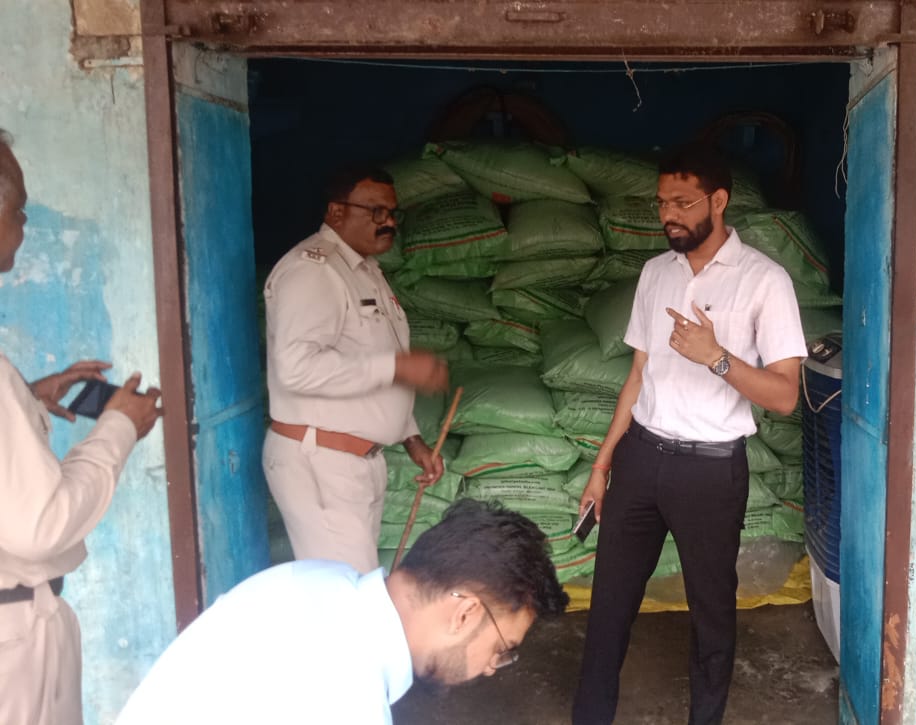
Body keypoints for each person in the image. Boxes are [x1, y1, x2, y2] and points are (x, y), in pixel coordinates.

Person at [572, 146, 808, 725]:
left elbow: (785, 395)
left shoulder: (765, 281)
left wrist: (717, 358)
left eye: (682, 202)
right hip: (640, 459)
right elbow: (637, 375)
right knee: (609, 605)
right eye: (662, 204)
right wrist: (601, 467)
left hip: (710, 471)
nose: (668, 215)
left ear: (718, 201)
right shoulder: (656, 274)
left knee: (711, 614)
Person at [115, 498, 568, 724]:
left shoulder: (322, 579)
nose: (491, 668)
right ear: (464, 614)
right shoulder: (348, 696)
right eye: (502, 649)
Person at [0, 129, 164, 725]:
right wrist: (118, 427)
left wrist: (26, 398)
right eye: (20, 210)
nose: (24, 225)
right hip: (14, 646)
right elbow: (39, 529)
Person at [263, 165, 449, 573]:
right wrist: (397, 367)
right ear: (336, 212)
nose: (389, 222)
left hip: (354, 462)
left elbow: (374, 358)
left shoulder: (365, 271)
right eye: (376, 212)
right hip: (321, 461)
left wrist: (412, 439)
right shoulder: (313, 271)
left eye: (393, 213)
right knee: (344, 591)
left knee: (352, 584)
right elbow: (297, 367)